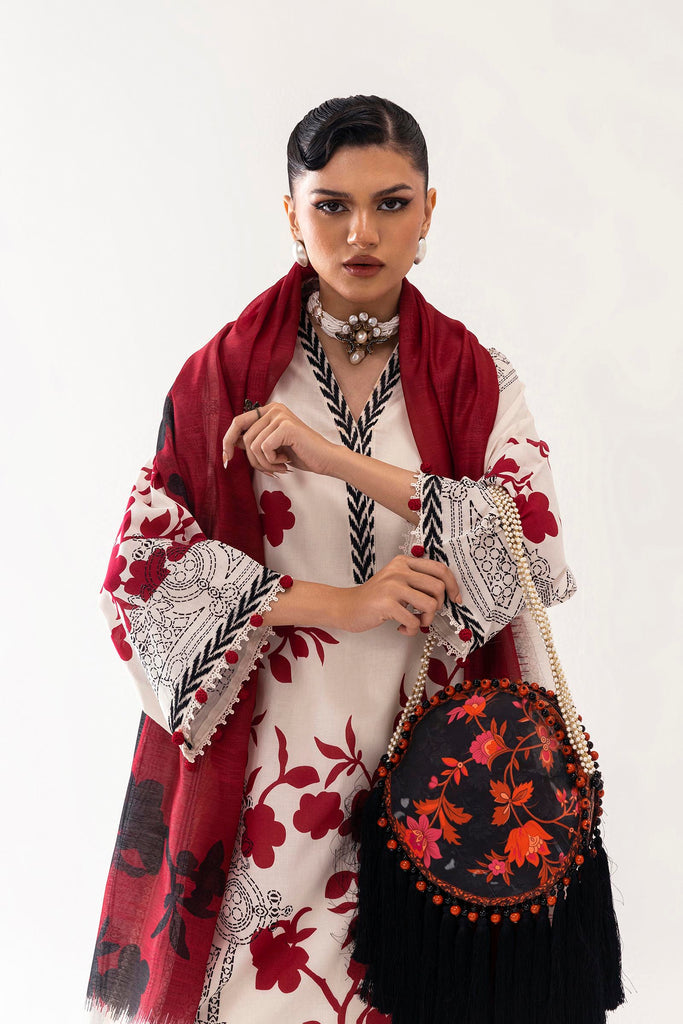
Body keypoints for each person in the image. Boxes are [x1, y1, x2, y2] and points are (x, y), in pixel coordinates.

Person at [87, 96, 580, 1024]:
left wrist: (331, 457)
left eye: (391, 203)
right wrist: (344, 604)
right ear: (290, 214)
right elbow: (143, 580)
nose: (361, 232)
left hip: (438, 757)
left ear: (428, 211)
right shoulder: (220, 378)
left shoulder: (480, 378)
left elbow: (528, 544)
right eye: (331, 205)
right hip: (272, 757)